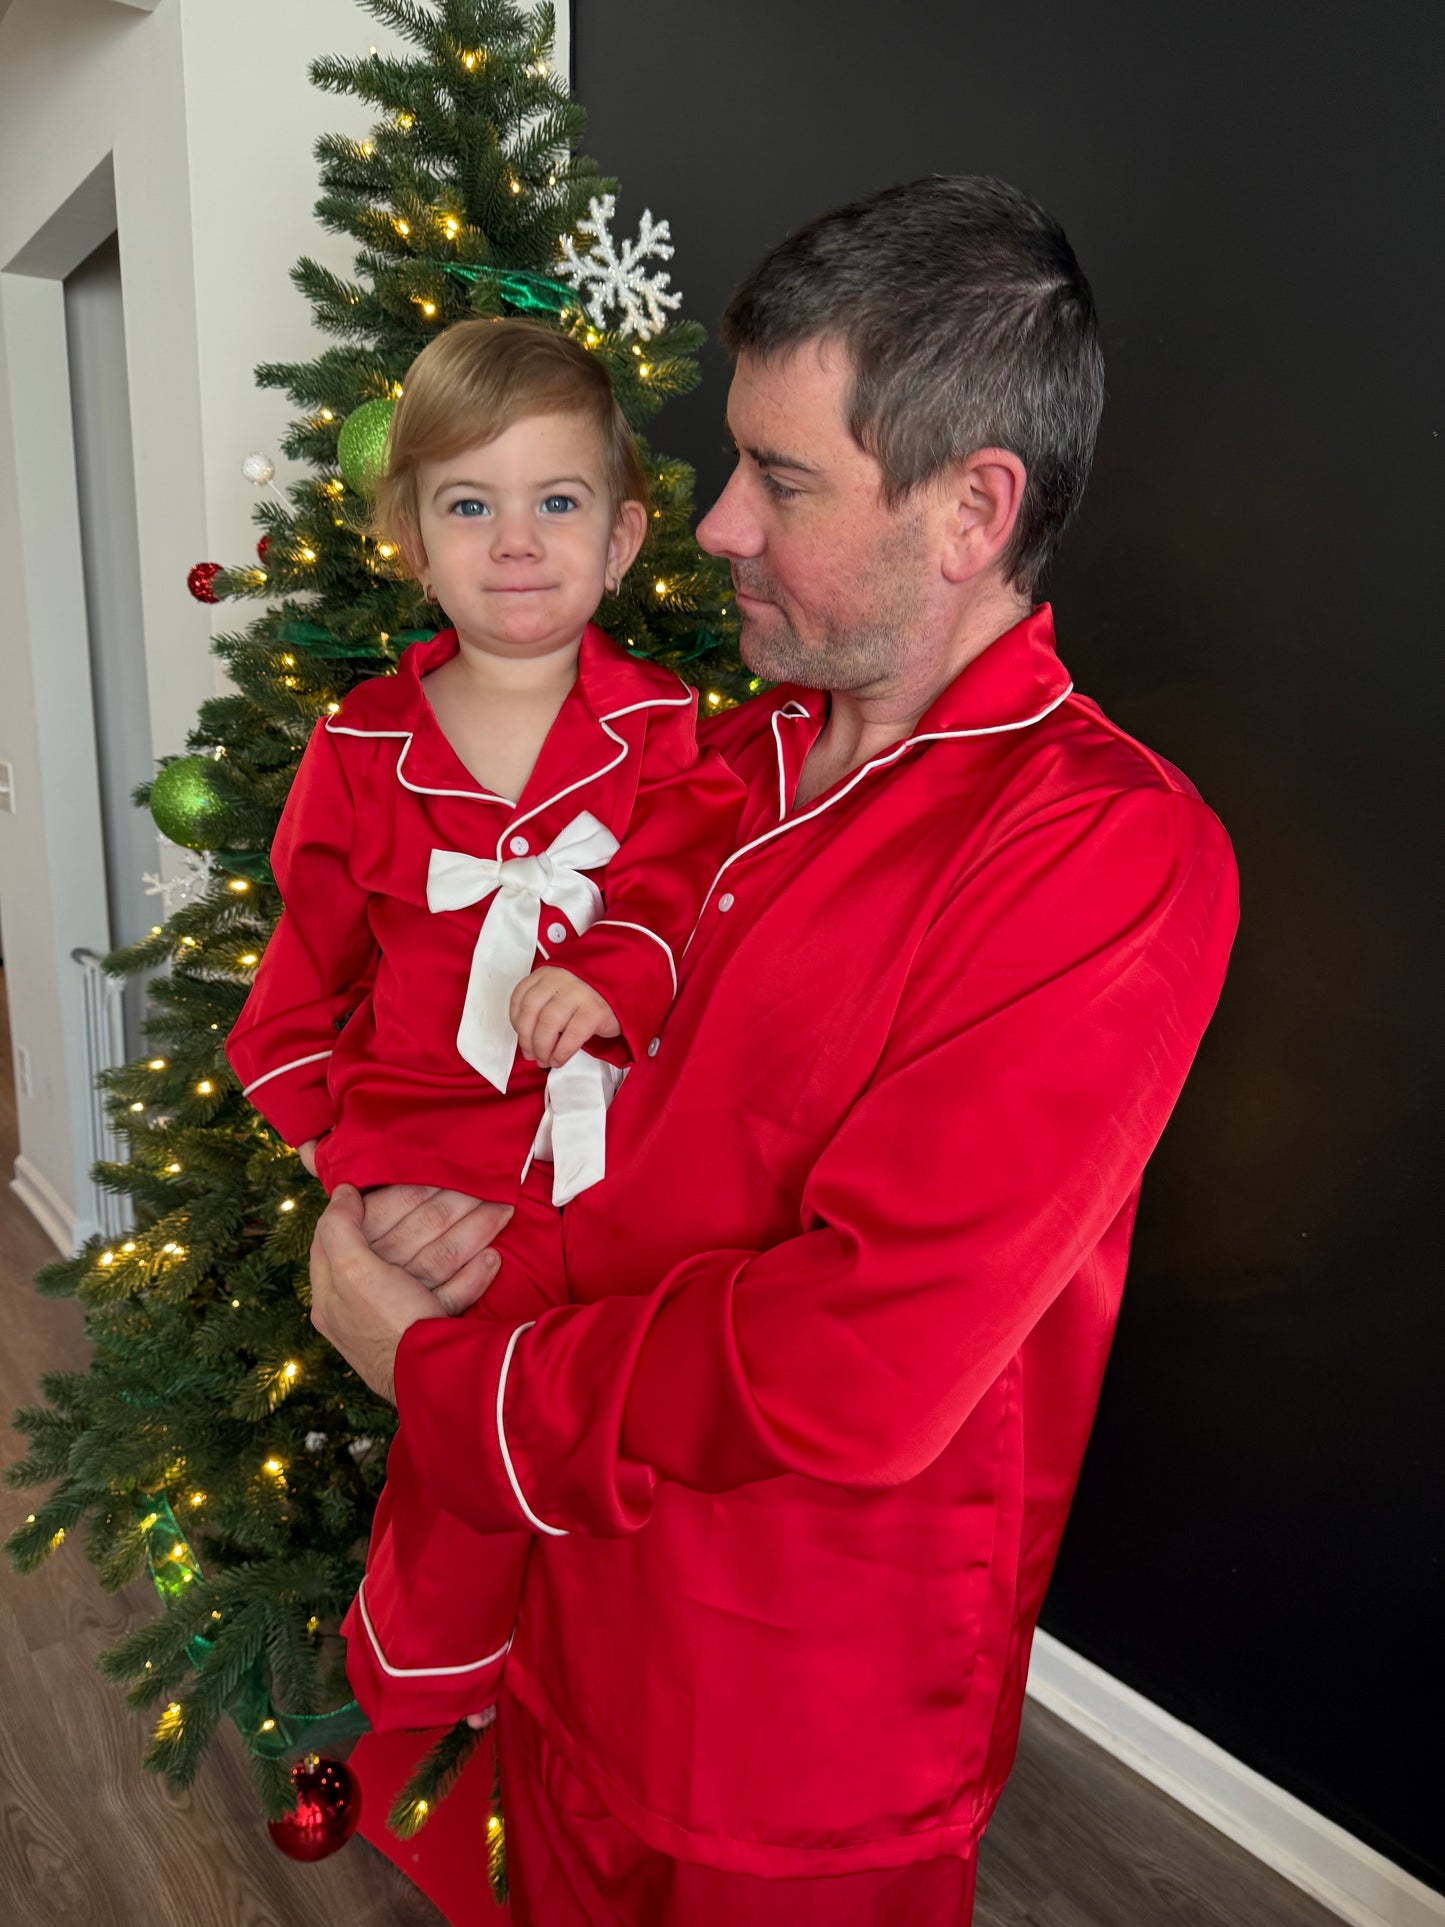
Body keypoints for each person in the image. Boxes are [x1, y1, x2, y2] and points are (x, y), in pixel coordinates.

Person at [309, 176, 1240, 1924]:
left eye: (781, 478)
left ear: (972, 510)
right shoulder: (725, 769)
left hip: (794, 1723)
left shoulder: (1105, 852)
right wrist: (432, 1230)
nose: (720, 522)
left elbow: (855, 1358)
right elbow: (593, 1131)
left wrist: (436, 1380)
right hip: (576, 1613)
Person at [226, 318, 744, 1730]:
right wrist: (353, 1172)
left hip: (611, 1166)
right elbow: (292, 999)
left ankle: (621, 1703)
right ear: (410, 533)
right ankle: (432, 1671)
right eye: (471, 504)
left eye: (556, 502)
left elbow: (687, 893)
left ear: (624, 535)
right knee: (463, 1452)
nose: (516, 542)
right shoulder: (362, 747)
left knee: (627, 1452)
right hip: (434, 1173)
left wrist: (620, 971)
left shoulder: (669, 731)